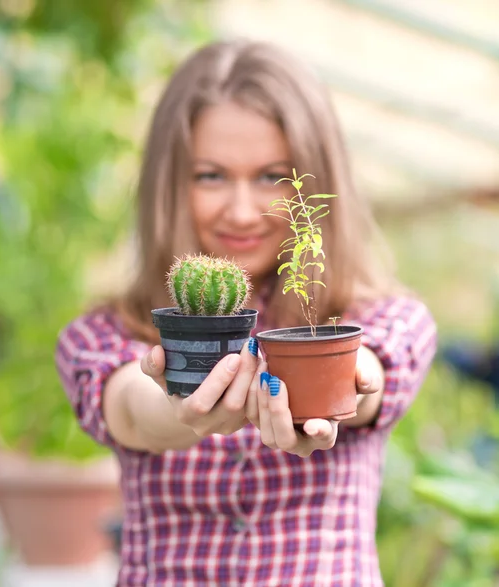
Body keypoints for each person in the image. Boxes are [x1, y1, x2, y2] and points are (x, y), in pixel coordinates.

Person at [56, 39, 437, 587]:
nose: (241, 210)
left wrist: (341, 386)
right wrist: (184, 407)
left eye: (272, 177)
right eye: (210, 175)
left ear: (315, 184)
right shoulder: (102, 334)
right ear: (170, 184)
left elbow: (372, 372)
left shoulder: (387, 317)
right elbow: (134, 408)